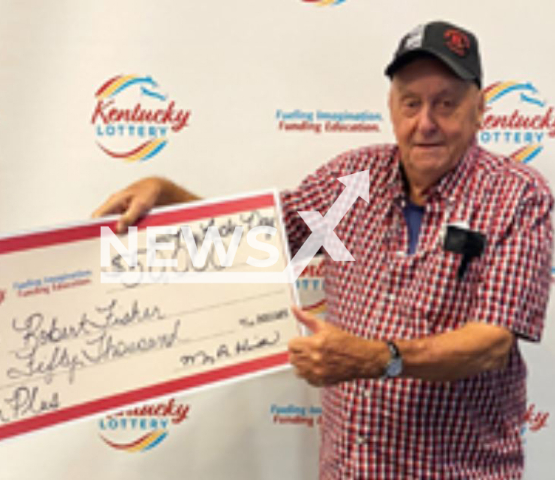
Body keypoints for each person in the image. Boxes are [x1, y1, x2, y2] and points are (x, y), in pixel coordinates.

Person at [93, 21, 553, 480]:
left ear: (480, 110)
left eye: (446, 104)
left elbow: (491, 343)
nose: (426, 122)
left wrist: (380, 358)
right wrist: (166, 192)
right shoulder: (352, 183)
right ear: (391, 108)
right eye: (411, 103)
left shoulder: (518, 196)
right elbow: (262, 237)